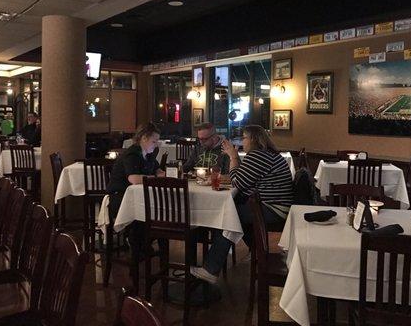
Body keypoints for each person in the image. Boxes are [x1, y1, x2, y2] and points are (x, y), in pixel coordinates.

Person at [190, 125, 294, 284]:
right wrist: (235, 159)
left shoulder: (258, 156)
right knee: (233, 210)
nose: (241, 141)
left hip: (273, 209)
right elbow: (243, 180)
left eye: (244, 137)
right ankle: (256, 250)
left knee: (227, 216)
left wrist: (233, 157)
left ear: (253, 139)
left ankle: (211, 269)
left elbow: (238, 182)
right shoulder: (267, 154)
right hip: (277, 206)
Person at [106, 122, 165, 254]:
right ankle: (137, 242)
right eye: (154, 141)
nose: (156, 145)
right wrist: (155, 179)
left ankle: (144, 243)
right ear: (144, 138)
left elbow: (159, 170)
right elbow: (133, 179)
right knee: (152, 212)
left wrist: (160, 173)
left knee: (159, 211)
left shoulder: (148, 154)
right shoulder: (132, 154)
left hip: (137, 197)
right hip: (119, 198)